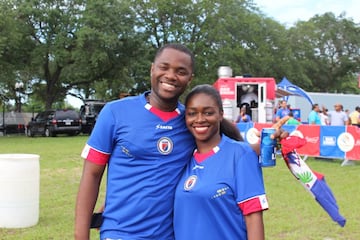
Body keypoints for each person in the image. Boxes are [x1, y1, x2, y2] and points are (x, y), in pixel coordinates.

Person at [75, 43, 288, 240]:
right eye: (164, 67)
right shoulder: (115, 112)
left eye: (181, 71)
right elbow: (92, 175)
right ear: (152, 69)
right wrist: (80, 235)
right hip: (120, 233)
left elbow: (224, 151)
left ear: (189, 79)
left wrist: (267, 143)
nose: (171, 76)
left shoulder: (190, 121)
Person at [174, 84, 267, 239]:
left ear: (220, 114)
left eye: (208, 112)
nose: (199, 119)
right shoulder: (182, 158)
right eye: (192, 113)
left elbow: (253, 218)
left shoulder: (241, 155)